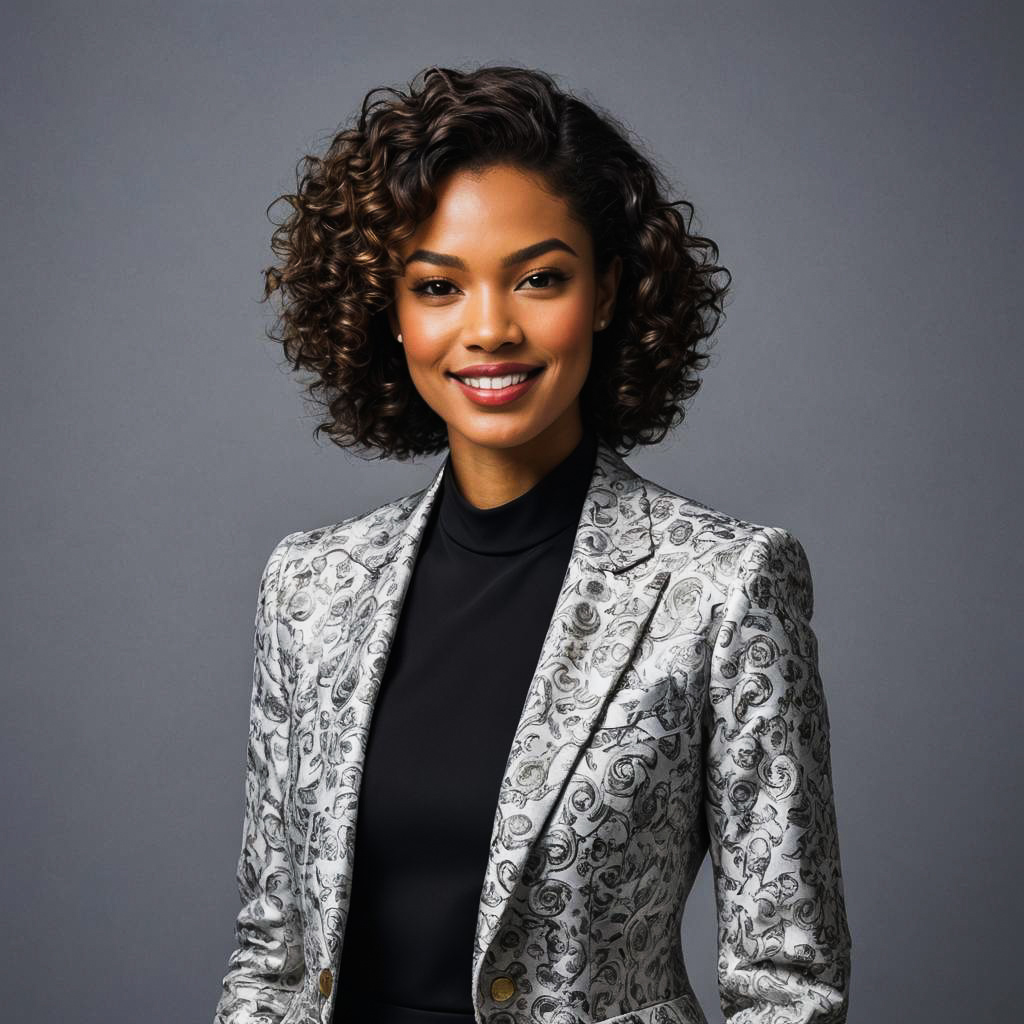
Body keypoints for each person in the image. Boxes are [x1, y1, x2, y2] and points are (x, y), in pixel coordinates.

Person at [213, 64, 852, 1024]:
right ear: (389, 311)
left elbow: (789, 984)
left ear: (604, 292)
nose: (489, 329)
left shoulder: (723, 586)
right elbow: (274, 953)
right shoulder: (309, 587)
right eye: (438, 286)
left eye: (539, 278)